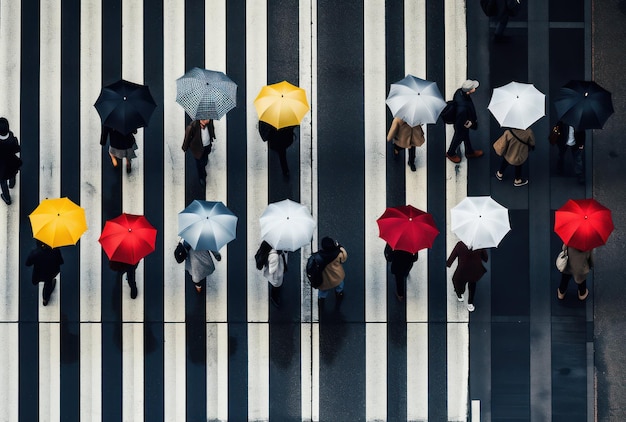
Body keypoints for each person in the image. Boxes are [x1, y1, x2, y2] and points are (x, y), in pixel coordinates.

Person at [445, 80, 483, 163]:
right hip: (461, 124)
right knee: (458, 138)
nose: (475, 88)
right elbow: (462, 121)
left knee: (466, 136)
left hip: (460, 120)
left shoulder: (459, 92)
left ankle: (469, 152)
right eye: (473, 88)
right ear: (468, 92)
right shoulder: (463, 108)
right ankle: (450, 153)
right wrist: (470, 124)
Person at [446, 240, 488, 312]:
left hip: (462, 270)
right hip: (474, 270)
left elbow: (453, 255)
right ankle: (470, 303)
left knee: (456, 280)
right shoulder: (479, 245)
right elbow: (485, 258)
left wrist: (448, 263)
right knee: (472, 285)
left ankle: (460, 294)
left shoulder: (460, 244)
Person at [25, 240, 64, 306]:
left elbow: (27, 263)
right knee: (48, 283)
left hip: (38, 274)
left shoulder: (35, 253)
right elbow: (61, 262)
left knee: (35, 280)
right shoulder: (55, 250)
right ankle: (45, 300)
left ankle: (36, 282)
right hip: (51, 272)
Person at [182, 119, 215, 186]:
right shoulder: (193, 125)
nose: (208, 120)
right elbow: (187, 137)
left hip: (207, 146)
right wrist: (185, 147)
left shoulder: (209, 122)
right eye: (205, 119)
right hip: (197, 148)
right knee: (199, 163)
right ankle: (201, 177)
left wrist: (213, 136)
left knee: (204, 160)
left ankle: (203, 168)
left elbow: (212, 129)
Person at [317, 236, 348, 307]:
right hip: (337, 276)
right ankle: (339, 294)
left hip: (325, 279)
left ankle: (321, 301)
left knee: (323, 292)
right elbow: (344, 258)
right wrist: (340, 247)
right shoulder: (338, 254)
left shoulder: (318, 256)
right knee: (339, 286)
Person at [0, 117, 21, 205]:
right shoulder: (13, 139)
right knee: (12, 173)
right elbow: (17, 149)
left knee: (3, 182)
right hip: (11, 162)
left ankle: (7, 198)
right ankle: (12, 183)